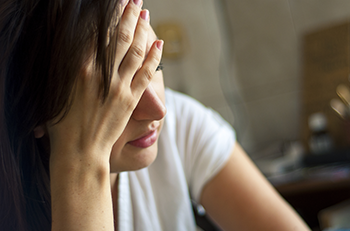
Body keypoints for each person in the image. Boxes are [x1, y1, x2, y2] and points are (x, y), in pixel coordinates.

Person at [0, 0, 310, 230]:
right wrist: (82, 161)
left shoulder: (179, 123)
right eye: (111, 91)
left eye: (154, 67)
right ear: (36, 114)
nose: (158, 109)